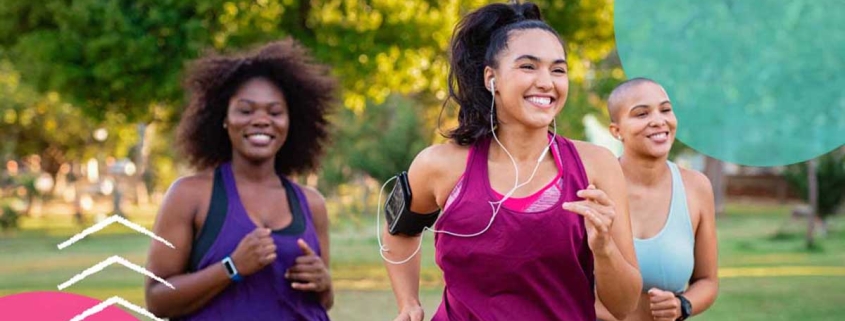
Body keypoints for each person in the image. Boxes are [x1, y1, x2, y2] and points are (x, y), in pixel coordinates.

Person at [381, 2, 642, 320]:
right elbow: (399, 231)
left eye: (558, 70)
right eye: (528, 67)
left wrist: (604, 249)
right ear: (492, 78)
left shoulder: (597, 166)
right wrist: (408, 302)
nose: (547, 82)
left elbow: (625, 306)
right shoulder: (440, 165)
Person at [144, 39, 338, 320]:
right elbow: (156, 300)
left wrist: (324, 284)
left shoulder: (311, 203)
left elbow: (324, 301)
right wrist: (232, 267)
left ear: (290, 122)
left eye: (275, 112)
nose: (261, 120)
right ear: (223, 119)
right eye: (246, 110)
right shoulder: (190, 195)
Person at [597, 78, 718, 321]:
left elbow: (707, 281)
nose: (658, 120)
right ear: (616, 130)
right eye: (641, 114)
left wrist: (681, 305)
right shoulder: (594, 187)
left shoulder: (696, 187)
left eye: (665, 110)